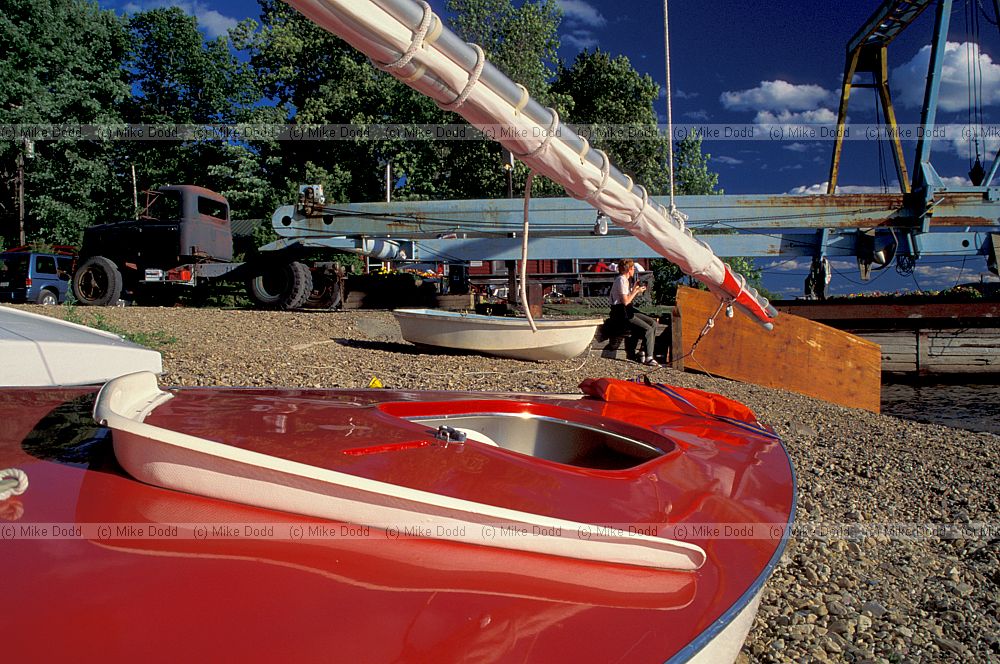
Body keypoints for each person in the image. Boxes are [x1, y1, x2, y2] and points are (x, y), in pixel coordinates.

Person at [609, 259, 659, 367]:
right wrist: (635, 291)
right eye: (633, 269)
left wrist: (635, 289)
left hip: (627, 310)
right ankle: (649, 357)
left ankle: (643, 351)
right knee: (648, 329)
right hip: (621, 313)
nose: (634, 271)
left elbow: (627, 299)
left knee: (653, 323)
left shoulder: (625, 280)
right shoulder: (621, 280)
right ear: (629, 269)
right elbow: (626, 301)